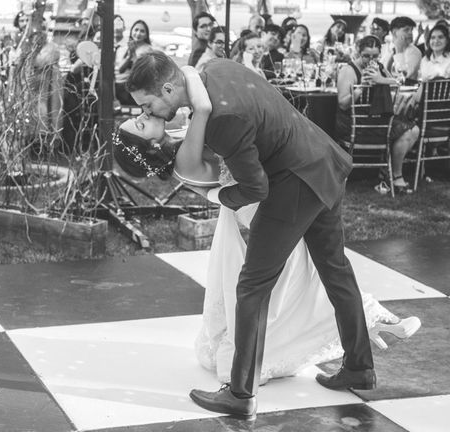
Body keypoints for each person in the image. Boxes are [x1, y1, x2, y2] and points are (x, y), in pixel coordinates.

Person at [113, 65, 421, 387]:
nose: (144, 112)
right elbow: (202, 106)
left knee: (279, 284)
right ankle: (362, 352)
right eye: (141, 120)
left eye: (143, 111)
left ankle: (242, 392)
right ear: (149, 148)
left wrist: (189, 76)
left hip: (283, 190)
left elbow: (207, 112)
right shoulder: (190, 147)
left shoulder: (190, 137)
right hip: (286, 187)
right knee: (319, 274)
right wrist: (191, 74)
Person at [336, 35, 419, 194]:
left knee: (414, 130)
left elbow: (398, 83)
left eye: (375, 56)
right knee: (407, 130)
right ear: (358, 53)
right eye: (366, 55)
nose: (371, 60)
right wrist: (361, 88)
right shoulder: (348, 70)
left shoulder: (380, 68)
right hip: (354, 125)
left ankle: (392, 174)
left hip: (379, 121)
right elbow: (342, 103)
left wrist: (380, 79)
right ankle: (392, 175)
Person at [114, 20, 152, 105]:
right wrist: (129, 56)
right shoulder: (125, 47)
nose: (138, 33)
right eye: (136, 30)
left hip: (134, 87)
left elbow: (138, 71)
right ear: (131, 31)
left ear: (146, 35)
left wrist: (132, 54)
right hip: (119, 84)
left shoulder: (147, 49)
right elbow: (120, 70)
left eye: (142, 31)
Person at [381, 16, 422, 85]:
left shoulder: (414, 52)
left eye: (411, 30)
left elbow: (405, 77)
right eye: (406, 30)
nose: (410, 33)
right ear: (394, 33)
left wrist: (399, 51)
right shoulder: (386, 48)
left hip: (406, 91)